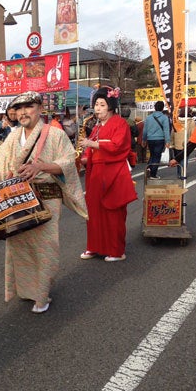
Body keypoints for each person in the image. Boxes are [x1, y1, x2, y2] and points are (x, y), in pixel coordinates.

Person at [0, 91, 87, 313]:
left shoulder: (55, 134)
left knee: (45, 247)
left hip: (46, 197)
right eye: (19, 108)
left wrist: (40, 166)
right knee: (19, 245)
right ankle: (27, 289)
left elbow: (69, 163)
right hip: (18, 198)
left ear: (40, 109)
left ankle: (41, 295)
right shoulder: (14, 135)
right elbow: (0, 159)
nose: (23, 112)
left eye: (28, 107)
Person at [79, 86, 137, 262]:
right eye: (96, 104)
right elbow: (90, 149)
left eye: (102, 104)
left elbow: (119, 146)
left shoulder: (120, 123)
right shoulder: (96, 126)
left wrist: (93, 144)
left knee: (113, 213)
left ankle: (116, 250)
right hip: (96, 172)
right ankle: (94, 246)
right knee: (94, 210)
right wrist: (84, 158)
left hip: (114, 172)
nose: (97, 108)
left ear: (110, 106)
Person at [142, 101, 171, 179]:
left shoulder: (148, 117)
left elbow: (145, 130)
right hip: (160, 139)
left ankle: (148, 169)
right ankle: (153, 174)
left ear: (155, 108)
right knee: (157, 156)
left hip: (150, 139)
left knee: (152, 155)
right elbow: (166, 130)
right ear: (162, 108)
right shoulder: (165, 118)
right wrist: (167, 141)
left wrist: (143, 140)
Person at [170, 108, 196, 178]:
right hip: (187, 143)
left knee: (177, 158)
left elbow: (173, 132)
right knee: (184, 159)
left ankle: (179, 173)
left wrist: (172, 143)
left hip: (177, 143)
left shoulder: (176, 120)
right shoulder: (191, 121)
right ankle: (182, 174)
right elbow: (193, 134)